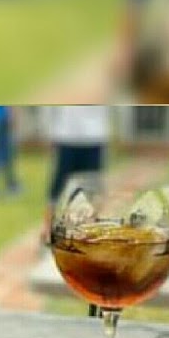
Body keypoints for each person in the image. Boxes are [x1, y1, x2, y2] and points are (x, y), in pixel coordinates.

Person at [41, 105, 112, 244]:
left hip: (94, 136)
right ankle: (48, 229)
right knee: (57, 187)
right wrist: (49, 132)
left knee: (92, 190)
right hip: (66, 136)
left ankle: (89, 232)